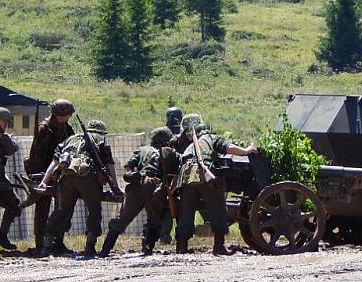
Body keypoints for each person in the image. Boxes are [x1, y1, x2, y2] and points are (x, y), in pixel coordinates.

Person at [175, 114, 258, 255]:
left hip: (186, 178)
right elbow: (227, 147)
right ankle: (219, 246)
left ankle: (182, 246)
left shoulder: (190, 146)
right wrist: (246, 151)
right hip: (204, 173)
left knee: (186, 211)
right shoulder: (210, 138)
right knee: (218, 208)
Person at [39, 120, 121, 257]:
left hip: (67, 177)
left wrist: (44, 182)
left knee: (61, 211)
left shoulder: (70, 139)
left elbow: (55, 162)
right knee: (94, 211)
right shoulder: (100, 140)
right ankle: (89, 248)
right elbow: (109, 164)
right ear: (100, 132)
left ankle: (46, 247)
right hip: (89, 178)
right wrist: (116, 187)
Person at [99, 127, 180, 257]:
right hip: (154, 186)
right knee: (154, 220)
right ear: (166, 141)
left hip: (136, 183)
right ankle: (147, 249)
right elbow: (173, 175)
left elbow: (128, 167)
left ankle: (104, 250)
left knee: (122, 219)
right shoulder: (170, 152)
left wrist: (133, 174)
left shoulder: (142, 150)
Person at [25, 99, 75, 254]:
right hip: (44, 174)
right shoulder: (44, 128)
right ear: (60, 114)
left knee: (63, 209)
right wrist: (41, 177)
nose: (68, 117)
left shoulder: (66, 128)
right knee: (42, 208)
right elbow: (37, 155)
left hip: (61, 174)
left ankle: (57, 242)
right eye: (67, 114)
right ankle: (41, 244)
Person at [0, 107, 21, 252]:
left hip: (0, 179)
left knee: (15, 204)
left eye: (7, 122)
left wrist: (1, 137)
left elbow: (13, 148)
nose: (5, 124)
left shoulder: (1, 136)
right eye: (3, 121)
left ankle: (2, 237)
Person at [159, 107, 184, 244]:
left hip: (166, 174)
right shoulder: (184, 132)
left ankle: (165, 235)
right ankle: (181, 235)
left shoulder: (164, 132)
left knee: (168, 206)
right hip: (181, 173)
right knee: (182, 205)